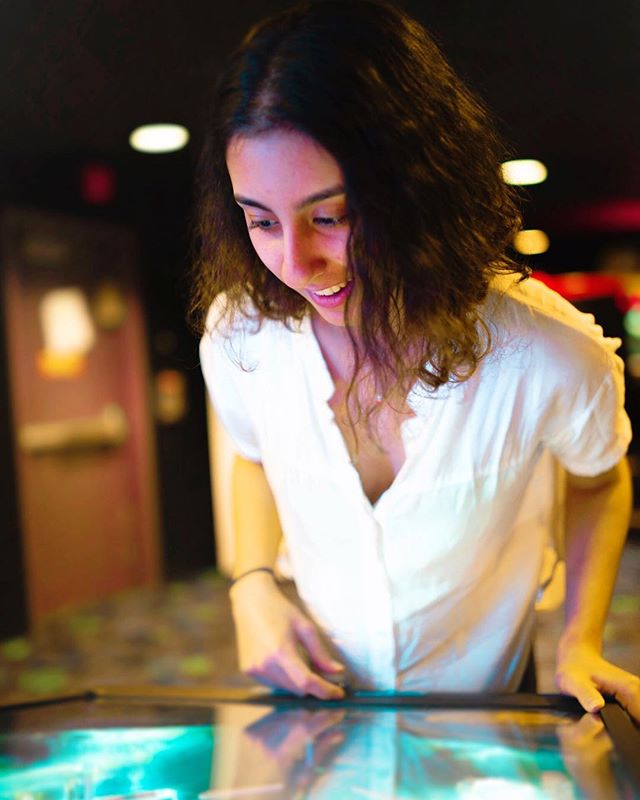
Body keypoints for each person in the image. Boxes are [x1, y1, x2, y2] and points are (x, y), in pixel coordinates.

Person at [191, 0, 639, 718]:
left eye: (330, 216)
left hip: (486, 712)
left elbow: (600, 478)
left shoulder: (545, 350)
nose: (296, 264)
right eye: (262, 220)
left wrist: (580, 640)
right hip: (317, 706)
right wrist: (251, 584)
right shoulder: (239, 335)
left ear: (416, 189)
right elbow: (251, 457)